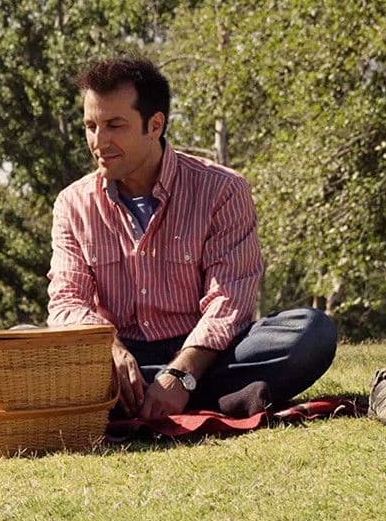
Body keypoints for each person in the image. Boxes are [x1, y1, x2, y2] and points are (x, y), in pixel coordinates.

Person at [47, 57, 337, 419]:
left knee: (313, 332)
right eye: (91, 126)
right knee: (18, 344)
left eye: (114, 125)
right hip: (115, 355)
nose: (98, 141)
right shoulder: (72, 203)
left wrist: (183, 373)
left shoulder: (223, 190)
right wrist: (108, 346)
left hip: (208, 353)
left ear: (155, 125)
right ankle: (221, 397)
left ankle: (132, 400)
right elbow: (66, 301)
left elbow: (230, 300)